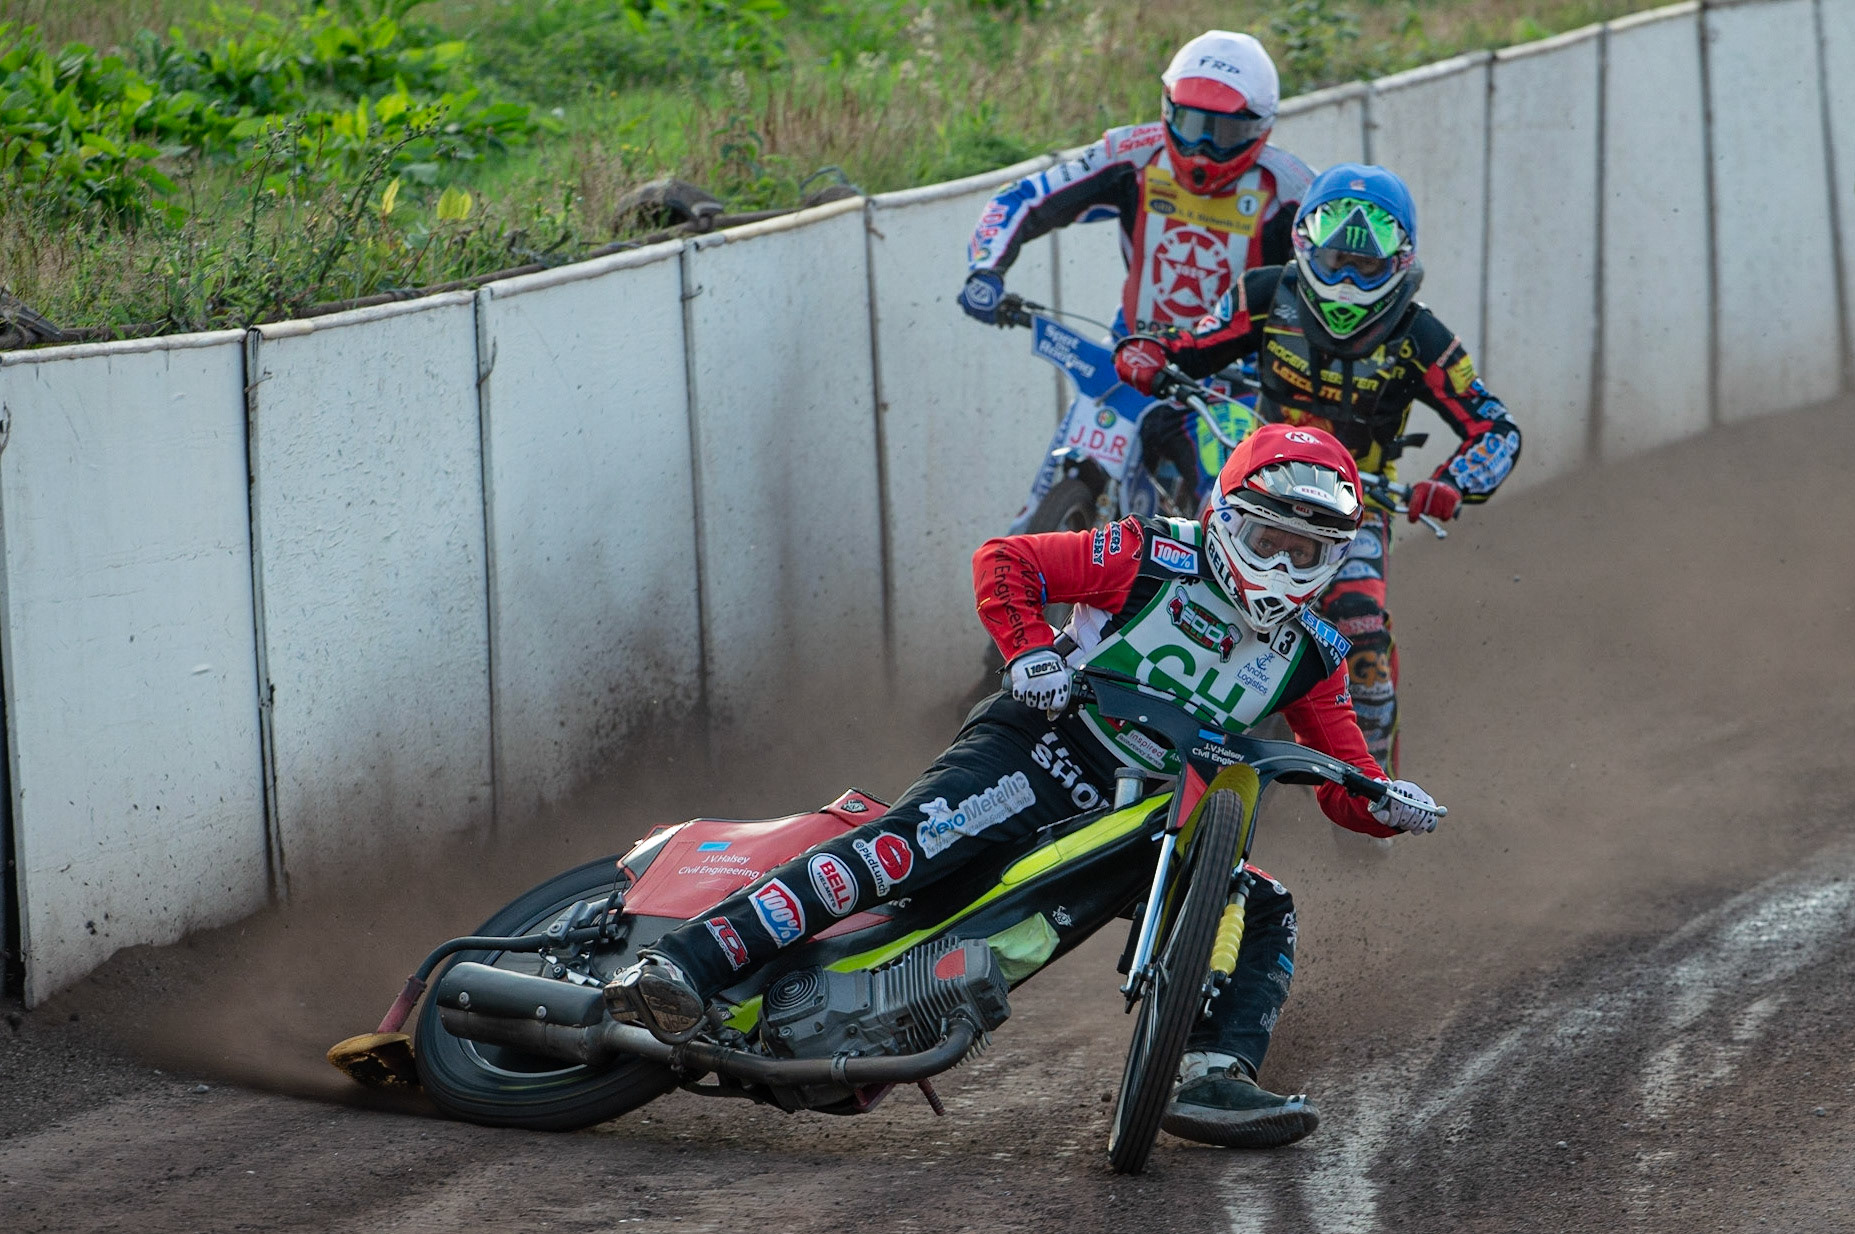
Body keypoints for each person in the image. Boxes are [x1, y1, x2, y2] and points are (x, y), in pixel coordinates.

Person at [606, 423, 1442, 1149]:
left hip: (1153, 821)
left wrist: (1386, 803)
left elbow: (1344, 779)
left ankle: (1207, 1073)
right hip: (1041, 751)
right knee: (903, 848)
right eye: (1266, 541)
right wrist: (1028, 649)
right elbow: (1007, 560)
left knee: (1259, 904)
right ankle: (682, 962)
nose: (1283, 565)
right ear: (1225, 520)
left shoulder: (1314, 653)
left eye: (1307, 553)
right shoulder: (1150, 550)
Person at [1112, 163, 1522, 770]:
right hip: (1252, 491)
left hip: (1357, 512)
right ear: (1304, 244)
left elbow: (1497, 428)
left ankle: (1368, 785)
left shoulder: (1421, 334)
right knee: (1166, 586)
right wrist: (1152, 352)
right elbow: (1190, 345)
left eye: (1364, 263)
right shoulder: (1263, 291)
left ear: (1400, 261)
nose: (1347, 277)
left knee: (1362, 638)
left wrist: (1452, 484)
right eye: (1334, 259)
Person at [958, 30, 1315, 514]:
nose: (1202, 149)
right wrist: (986, 269)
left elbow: (1333, 281)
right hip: (1132, 356)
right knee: (1052, 488)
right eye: (1190, 124)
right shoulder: (1131, 153)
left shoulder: (1294, 189)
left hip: (1235, 377)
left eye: (1223, 133)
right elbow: (1025, 197)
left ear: (1259, 128)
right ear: (1167, 109)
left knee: (1231, 506)